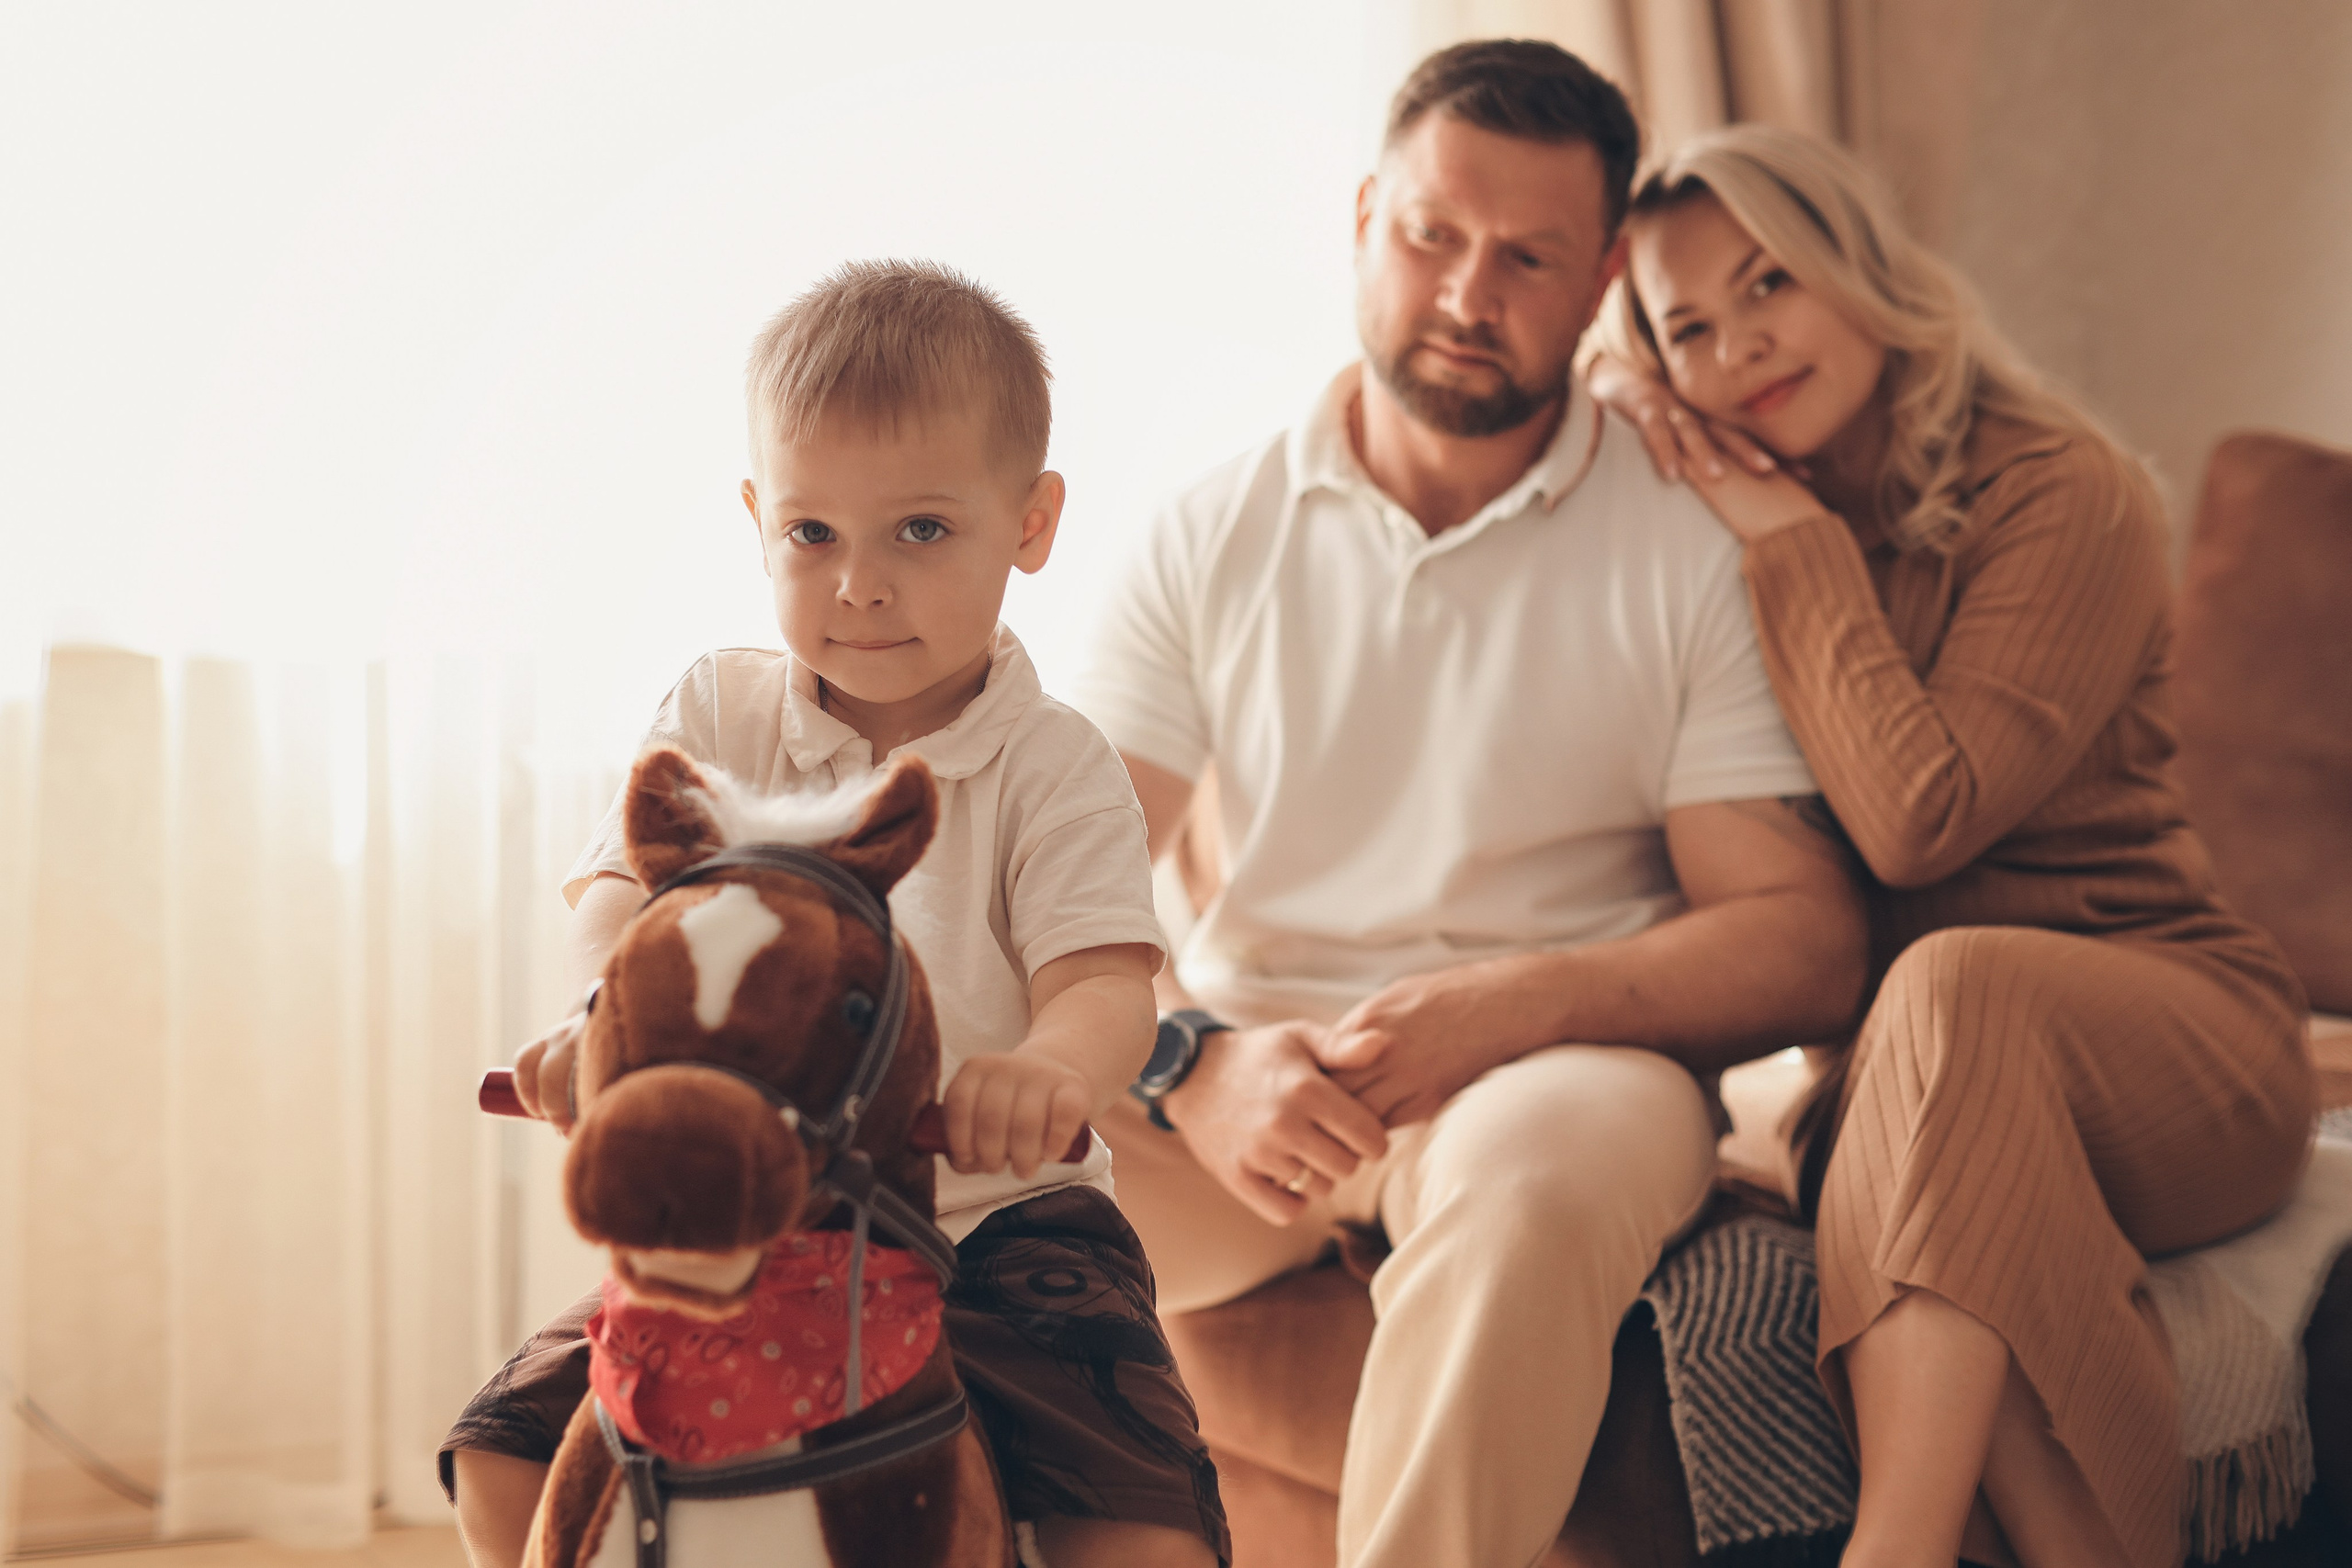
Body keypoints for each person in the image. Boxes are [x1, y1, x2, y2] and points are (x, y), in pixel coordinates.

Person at [1063, 41, 1868, 1568]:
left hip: (1557, 1069)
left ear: (1604, 277)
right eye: (1433, 233)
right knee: (925, 1123)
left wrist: (1509, 1010)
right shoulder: (1211, 530)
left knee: (1536, 1178)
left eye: (1527, 257)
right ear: (1367, 217)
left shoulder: (1696, 539)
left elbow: (1805, 938)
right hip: (1250, 1076)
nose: (1464, 291)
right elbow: (1058, 895)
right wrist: (1193, 1064)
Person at [1583, 125, 2316, 1568]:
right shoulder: (1703, 524)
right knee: (1916, 1129)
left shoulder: (2063, 491)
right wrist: (1615, 403)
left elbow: (1922, 821)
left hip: (2177, 1044)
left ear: (1861, 267)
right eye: (1688, 329)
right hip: (1910, 1083)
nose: (1740, 345)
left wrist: (1785, 536)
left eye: (1770, 282)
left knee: (1951, 990)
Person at [441, 260, 1227, 1568]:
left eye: (920, 531)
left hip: (998, 1218)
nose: (858, 586)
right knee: (504, 1445)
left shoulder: (1054, 762)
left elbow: (1103, 982)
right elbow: (622, 901)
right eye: (814, 536)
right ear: (758, 522)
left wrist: (1040, 1077)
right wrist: (597, 1027)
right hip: (755, 1215)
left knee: (1136, 1522)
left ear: (1030, 523)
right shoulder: (718, 713)